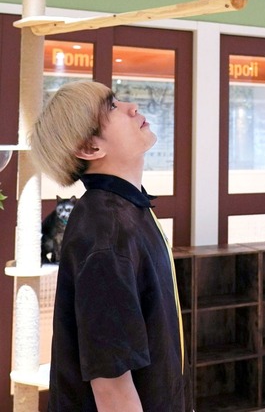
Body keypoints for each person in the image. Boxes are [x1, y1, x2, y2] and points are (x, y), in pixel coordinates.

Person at [30, 80, 193, 412]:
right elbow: (112, 386)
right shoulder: (105, 233)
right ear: (90, 147)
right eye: (112, 107)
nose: (132, 107)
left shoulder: (128, 210)